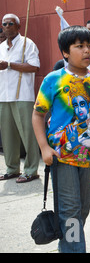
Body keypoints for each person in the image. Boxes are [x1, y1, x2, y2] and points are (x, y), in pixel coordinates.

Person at [32, 25, 90, 252]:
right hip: (62, 157)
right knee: (70, 211)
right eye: (79, 46)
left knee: (81, 211)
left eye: (89, 45)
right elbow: (38, 115)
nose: (87, 51)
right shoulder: (53, 80)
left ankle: (68, 245)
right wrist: (43, 148)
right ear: (65, 52)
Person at [0, 13, 41, 183]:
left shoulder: (27, 43)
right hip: (4, 95)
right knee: (7, 135)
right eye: (4, 24)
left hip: (22, 95)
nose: (7, 26)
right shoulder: (1, 46)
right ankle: (12, 168)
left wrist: (9, 65)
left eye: (11, 24)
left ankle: (31, 170)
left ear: (18, 26)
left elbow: (34, 67)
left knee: (27, 133)